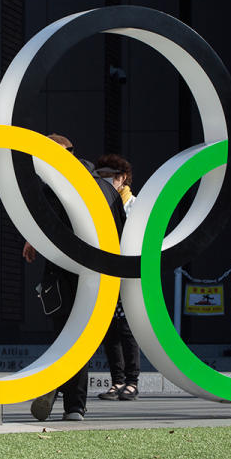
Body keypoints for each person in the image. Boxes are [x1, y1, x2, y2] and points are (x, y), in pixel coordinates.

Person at [25, 135, 126, 421]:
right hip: (100, 274)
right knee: (81, 338)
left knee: (66, 337)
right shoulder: (106, 189)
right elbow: (122, 233)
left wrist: (33, 240)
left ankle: (56, 387)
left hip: (63, 272)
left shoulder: (57, 188)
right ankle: (73, 405)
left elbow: (47, 226)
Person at [94, 154, 141, 401]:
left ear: (122, 178)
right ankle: (117, 381)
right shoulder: (97, 204)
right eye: (99, 176)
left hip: (128, 275)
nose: (102, 182)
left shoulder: (134, 204)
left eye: (107, 177)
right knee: (109, 329)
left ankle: (132, 381)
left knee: (126, 327)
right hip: (107, 273)